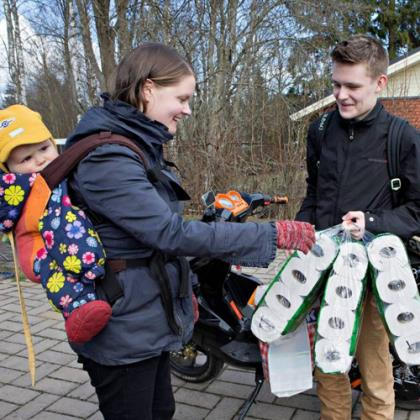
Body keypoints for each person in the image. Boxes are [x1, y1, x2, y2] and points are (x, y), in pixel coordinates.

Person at [63, 42, 315, 420]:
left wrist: (186, 291)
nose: (187, 108)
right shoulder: (107, 156)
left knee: (161, 409)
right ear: (148, 89)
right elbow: (170, 233)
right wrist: (271, 234)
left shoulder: (135, 144)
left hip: (146, 316)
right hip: (123, 327)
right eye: (181, 97)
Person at [296, 34, 420, 419]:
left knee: (375, 371)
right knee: (327, 364)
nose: (341, 94)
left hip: (372, 278)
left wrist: (372, 221)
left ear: (379, 83)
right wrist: (301, 229)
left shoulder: (403, 138)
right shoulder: (318, 132)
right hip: (322, 268)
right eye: (336, 84)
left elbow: (417, 209)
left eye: (352, 86)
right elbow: (313, 193)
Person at [0, 104, 112, 344]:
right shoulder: (21, 188)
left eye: (44, 148)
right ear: (8, 170)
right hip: (37, 249)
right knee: (58, 273)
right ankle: (77, 311)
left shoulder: (60, 172)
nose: (40, 160)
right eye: (26, 158)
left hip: (61, 239)